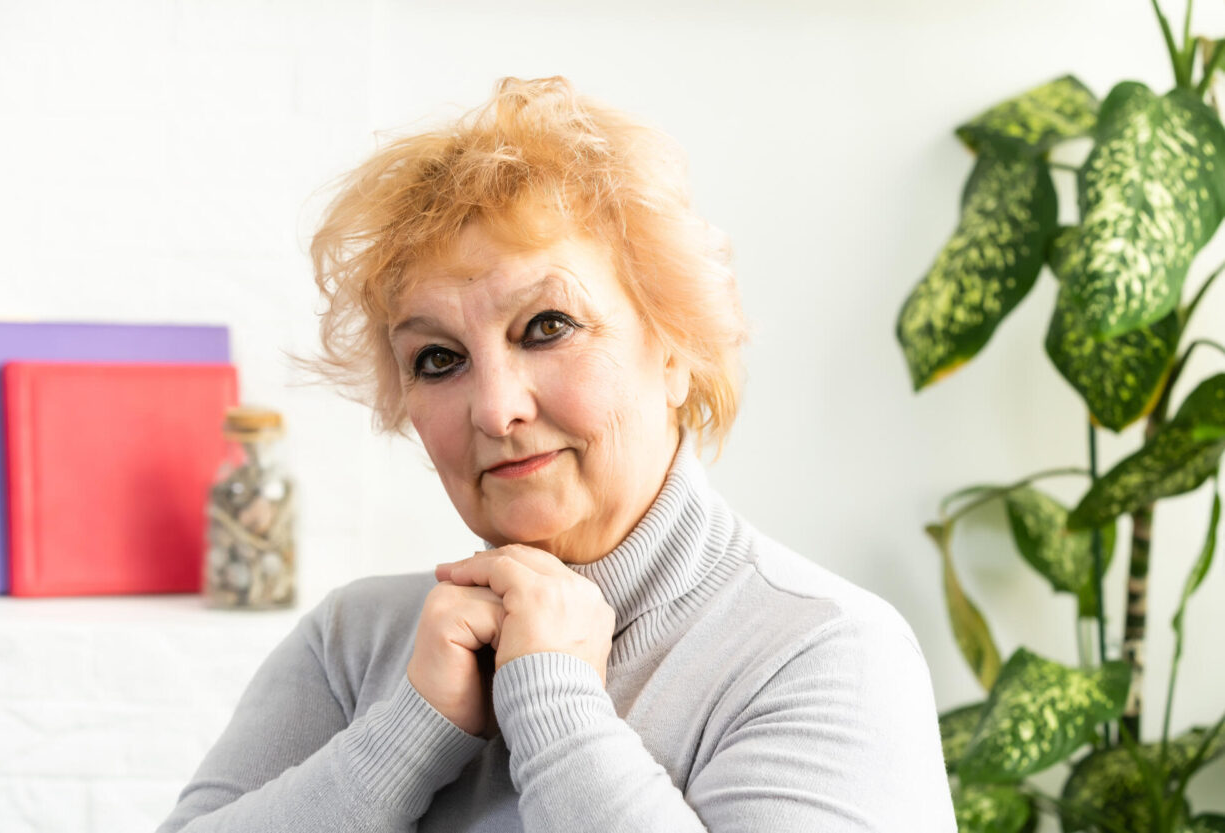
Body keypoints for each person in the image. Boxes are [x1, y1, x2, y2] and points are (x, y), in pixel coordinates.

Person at [157, 76, 956, 833]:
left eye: (547, 326)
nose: (497, 408)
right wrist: (403, 734)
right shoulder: (354, 642)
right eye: (438, 359)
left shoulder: (826, 652)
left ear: (677, 348)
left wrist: (555, 703)